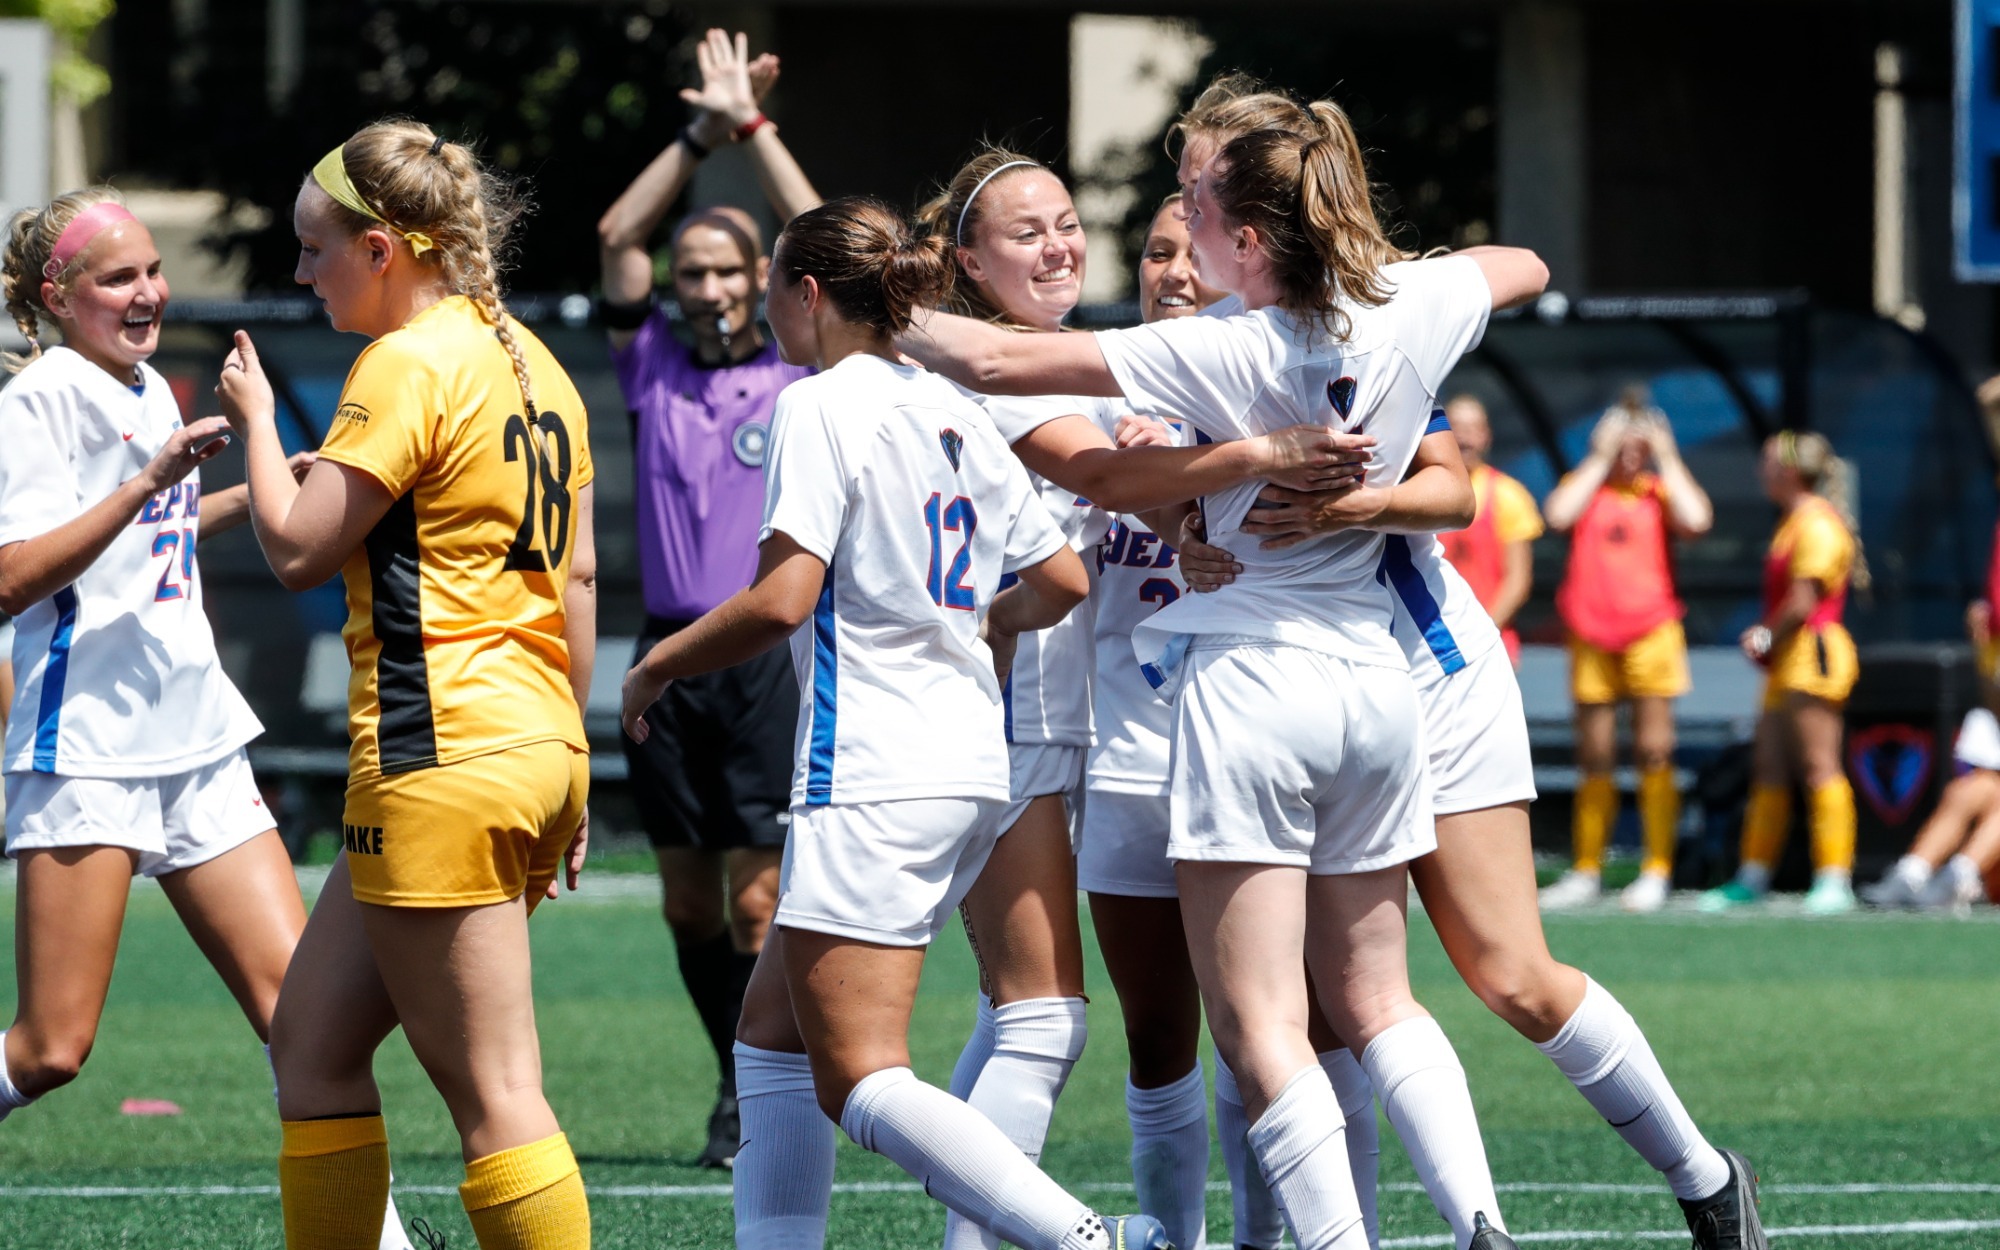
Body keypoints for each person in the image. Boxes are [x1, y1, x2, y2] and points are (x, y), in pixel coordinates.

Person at [901, 93, 1546, 1250]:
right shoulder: (1408, 305)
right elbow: (1523, 264)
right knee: (1377, 999)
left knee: (1255, 1026)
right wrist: (1378, 267)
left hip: (1252, 691)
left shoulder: (1221, 344)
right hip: (1376, 696)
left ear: (1249, 240)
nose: (1179, 221)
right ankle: (1477, 1219)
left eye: (1195, 206)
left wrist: (857, 297)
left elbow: (991, 356)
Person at [1162, 75, 1764, 1250]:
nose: (1180, 216)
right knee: (1317, 1007)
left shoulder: (1363, 316)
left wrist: (1352, 501)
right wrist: (1185, 521)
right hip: (1297, 683)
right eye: (1179, 190)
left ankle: (1703, 1177)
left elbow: (1453, 490)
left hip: (1425, 670)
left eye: (1197, 182)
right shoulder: (1195, 338)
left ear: (1266, 206)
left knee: (1503, 970)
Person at [618, 196, 1170, 1250]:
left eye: (775, 282)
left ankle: (1085, 1237)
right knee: (770, 1042)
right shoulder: (949, 402)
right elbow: (1055, 575)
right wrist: (970, 625)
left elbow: (782, 596)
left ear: (807, 293)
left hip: (871, 766)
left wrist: (654, 665)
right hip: (968, 761)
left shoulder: (819, 402)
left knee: (858, 1073)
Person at [909, 151, 1368, 1250]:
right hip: (1034, 721)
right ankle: (1052, 1225)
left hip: (1112, 726)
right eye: (1027, 232)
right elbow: (1097, 501)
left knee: (1064, 1016)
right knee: (1048, 1016)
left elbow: (1134, 507)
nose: (1063, 245)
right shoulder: (1021, 374)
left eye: (1070, 223)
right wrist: (1234, 468)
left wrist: (1195, 501)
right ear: (968, 259)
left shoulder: (1137, 374)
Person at [0, 185, 422, 1250]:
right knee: (51, 1048)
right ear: (57, 296)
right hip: (85, 744)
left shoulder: (145, 384)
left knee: (304, 1022)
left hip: (198, 741)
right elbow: (9, 577)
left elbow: (160, 533)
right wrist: (148, 482)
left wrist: (259, 477)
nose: (147, 292)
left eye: (150, 269)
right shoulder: (35, 400)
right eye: (116, 278)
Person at [217, 121, 596, 1249]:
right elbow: (572, 576)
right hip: (528, 742)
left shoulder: (407, 360)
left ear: (382, 247)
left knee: (495, 1093)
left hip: (445, 752)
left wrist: (251, 424)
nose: (300, 270)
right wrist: (564, 762)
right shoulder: (528, 356)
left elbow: (294, 549)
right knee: (314, 1043)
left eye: (314, 246)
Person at [596, 27, 822, 1169]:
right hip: (664, 656)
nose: (709, 287)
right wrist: (697, 135)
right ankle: (736, 1075)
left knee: (756, 901)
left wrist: (752, 129)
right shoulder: (650, 362)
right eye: (694, 274)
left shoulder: (793, 368)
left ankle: (762, 1089)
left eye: (731, 271)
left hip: (762, 653)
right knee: (687, 904)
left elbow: (825, 234)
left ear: (765, 283)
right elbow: (615, 233)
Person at [1076, 193, 1223, 1250]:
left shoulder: (1275, 381)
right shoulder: (1083, 391)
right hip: (1121, 757)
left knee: (1276, 1032)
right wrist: (1106, 472)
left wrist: (1173, 471)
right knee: (1156, 1030)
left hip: (1243, 751)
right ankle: (1172, 1236)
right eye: (1155, 253)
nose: (1171, 270)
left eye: (1191, 252)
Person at [1541, 397, 1713, 912]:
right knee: (1594, 756)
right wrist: (1598, 455)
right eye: (1624, 448)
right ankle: (1587, 868)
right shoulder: (1589, 488)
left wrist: (1668, 454)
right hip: (1591, 633)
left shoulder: (1659, 492)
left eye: (1639, 448)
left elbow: (1698, 519)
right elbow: (1557, 514)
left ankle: (1657, 868)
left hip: (1652, 632)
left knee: (1655, 751)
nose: (1630, 457)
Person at [1701, 431, 1864, 914]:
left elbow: (1803, 600)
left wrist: (1765, 636)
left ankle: (1835, 879)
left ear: (1790, 471)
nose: (1761, 471)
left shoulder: (1816, 524)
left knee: (1819, 766)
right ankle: (1752, 875)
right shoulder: (1795, 521)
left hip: (1813, 652)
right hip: (1789, 660)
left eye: (1769, 462)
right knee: (1769, 767)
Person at [1435, 395, 1542, 666]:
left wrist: (1482, 631)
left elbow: (1518, 581)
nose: (1464, 438)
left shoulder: (1509, 495)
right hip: (1433, 639)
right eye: (1456, 428)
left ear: (1486, 436)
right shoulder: (1426, 491)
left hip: (1491, 640)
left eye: (1473, 429)